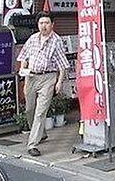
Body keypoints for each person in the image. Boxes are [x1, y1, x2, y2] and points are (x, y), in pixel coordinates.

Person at [16, 12, 69, 157]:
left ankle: (32, 144)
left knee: (41, 112)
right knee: (29, 109)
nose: (43, 26)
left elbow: (62, 64)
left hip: (48, 78)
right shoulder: (33, 38)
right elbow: (24, 56)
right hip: (31, 77)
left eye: (46, 23)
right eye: (41, 23)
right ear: (38, 24)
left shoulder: (56, 41)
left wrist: (59, 81)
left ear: (52, 25)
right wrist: (23, 68)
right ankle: (42, 133)